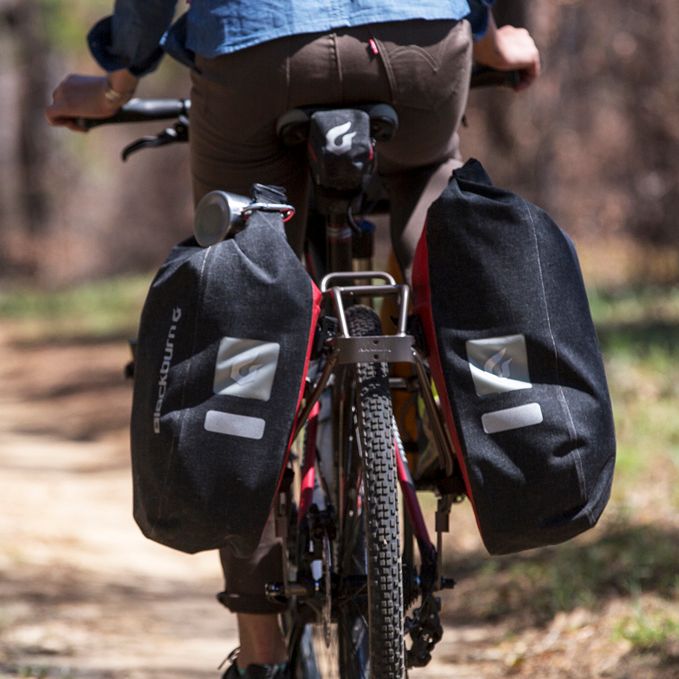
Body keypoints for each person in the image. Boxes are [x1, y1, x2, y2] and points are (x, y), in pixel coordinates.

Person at [46, 2, 540, 677]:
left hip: (258, 50)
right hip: (417, 43)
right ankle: (489, 434)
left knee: (241, 294)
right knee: (439, 213)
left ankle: (260, 653)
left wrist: (115, 80)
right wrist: (486, 38)